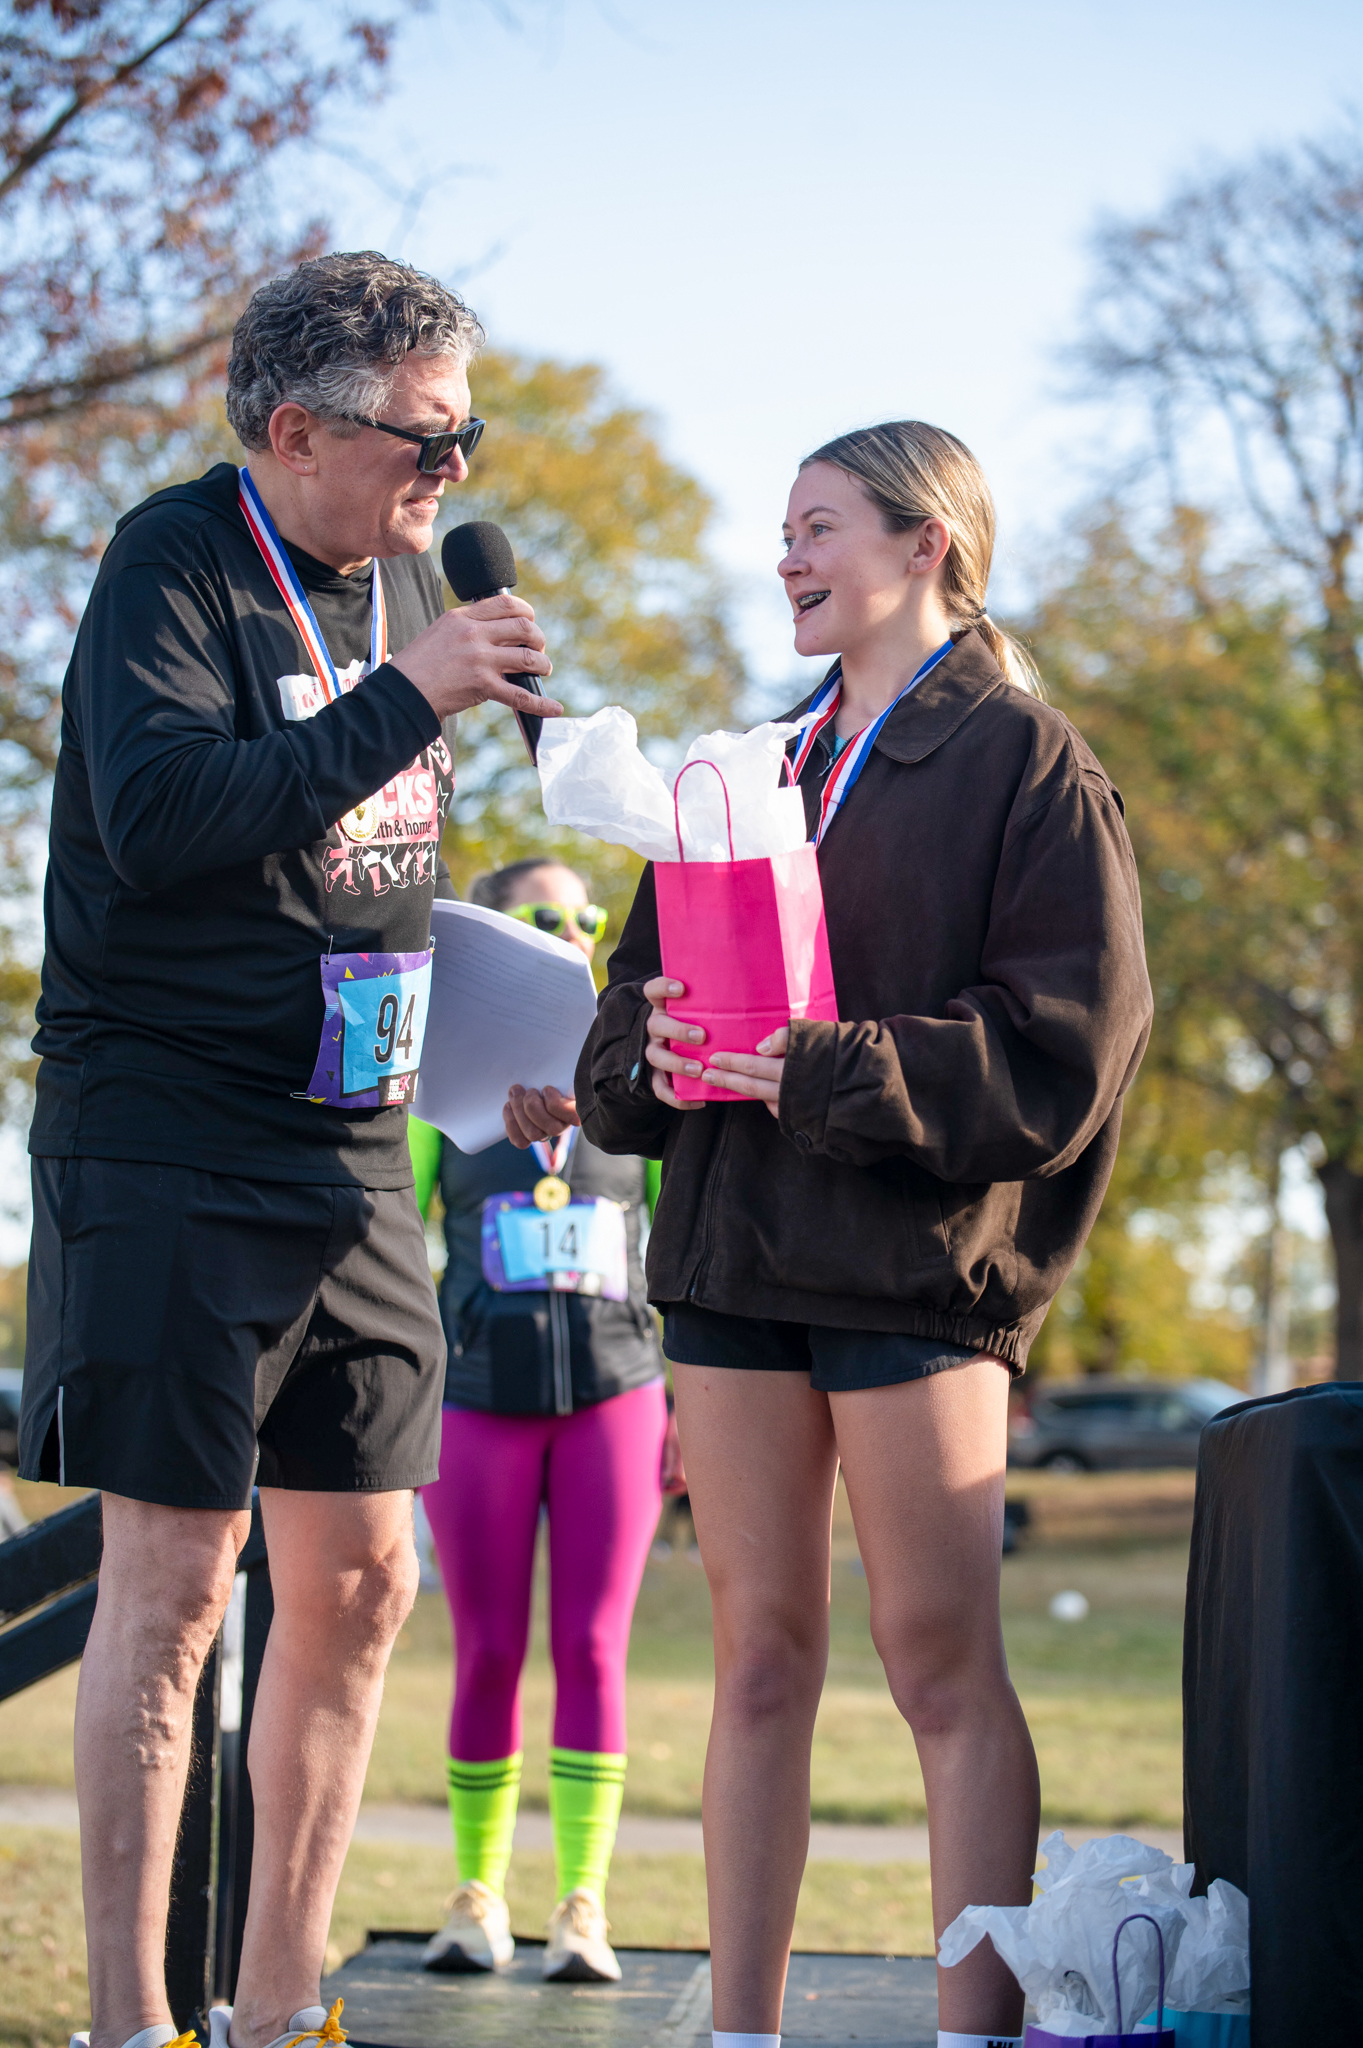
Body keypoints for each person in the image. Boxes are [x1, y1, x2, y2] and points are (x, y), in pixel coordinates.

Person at [515, 422, 1153, 2048]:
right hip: (729, 1264)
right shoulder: (744, 764)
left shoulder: (1026, 762)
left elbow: (1060, 1052)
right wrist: (638, 1066)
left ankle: (968, 2035)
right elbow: (629, 1027)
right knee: (752, 1662)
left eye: (815, 527)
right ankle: (738, 2029)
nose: (783, 556)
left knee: (937, 1662)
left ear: (923, 543)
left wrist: (815, 1067)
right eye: (779, 530)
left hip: (910, 1272)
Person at [18, 250, 560, 2048]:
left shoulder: (397, 577)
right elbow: (165, 818)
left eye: (469, 429)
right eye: (428, 433)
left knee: (365, 1577)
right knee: (172, 1588)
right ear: (295, 424)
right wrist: (407, 693)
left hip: (357, 1150)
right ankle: (125, 2019)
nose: (455, 471)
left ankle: (272, 2007)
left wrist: (513, 1022)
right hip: (170, 1137)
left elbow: (354, 866)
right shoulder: (171, 560)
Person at [408, 857, 684, 1984]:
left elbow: (685, 1245)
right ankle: (476, 1893)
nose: (571, 929)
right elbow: (388, 1209)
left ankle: (583, 1902)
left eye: (585, 916)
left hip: (618, 1396)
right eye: (540, 916)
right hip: (475, 1399)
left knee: (591, 1646)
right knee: (485, 1647)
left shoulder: (639, 1086)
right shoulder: (448, 1093)